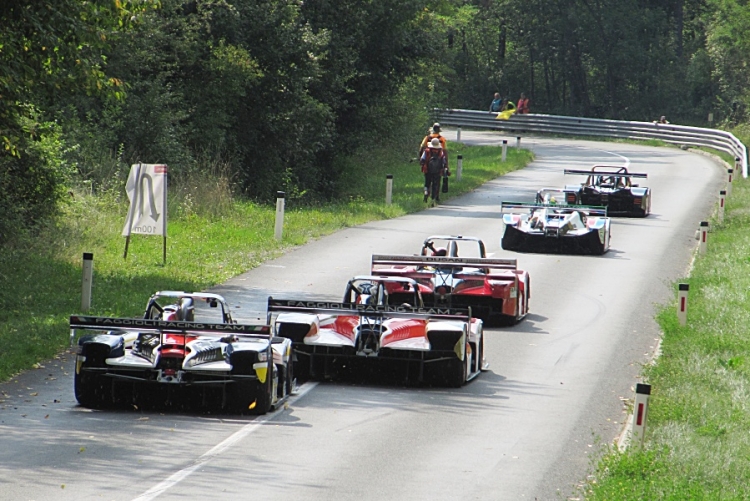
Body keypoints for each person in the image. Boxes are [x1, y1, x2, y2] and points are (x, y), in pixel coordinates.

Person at [420, 138, 448, 204]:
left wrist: (423, 164)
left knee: (427, 183)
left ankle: (426, 193)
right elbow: (443, 161)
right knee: (435, 184)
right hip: (437, 171)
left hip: (428, 170)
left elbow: (422, 159)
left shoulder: (427, 151)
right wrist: (445, 168)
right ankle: (433, 198)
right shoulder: (440, 151)